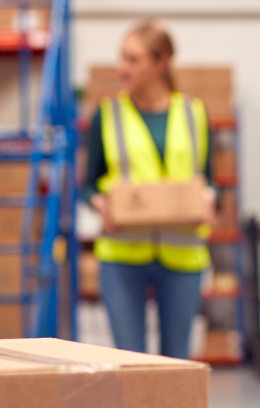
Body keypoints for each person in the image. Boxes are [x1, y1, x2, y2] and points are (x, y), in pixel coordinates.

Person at [84, 19, 215, 359]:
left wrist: (210, 197)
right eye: (121, 58)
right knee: (131, 363)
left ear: (161, 63)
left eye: (133, 60)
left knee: (176, 363)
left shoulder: (194, 113)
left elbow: (209, 178)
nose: (121, 68)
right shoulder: (107, 115)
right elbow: (86, 185)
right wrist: (99, 204)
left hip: (183, 253)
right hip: (123, 254)